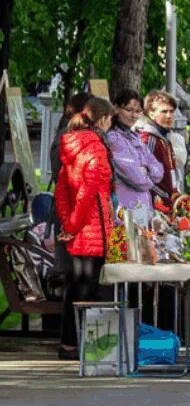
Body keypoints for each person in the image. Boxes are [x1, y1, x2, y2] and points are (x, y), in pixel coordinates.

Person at [55, 97, 116, 361]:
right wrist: (74, 224)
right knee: (89, 289)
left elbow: (62, 191)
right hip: (94, 228)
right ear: (103, 119)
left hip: (79, 229)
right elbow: (88, 194)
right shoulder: (96, 148)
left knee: (76, 286)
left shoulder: (70, 145)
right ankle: (87, 348)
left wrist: (68, 224)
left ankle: (69, 344)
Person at [107, 88, 165, 226]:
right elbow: (137, 179)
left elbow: (159, 171)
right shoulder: (113, 138)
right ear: (116, 109)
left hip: (142, 210)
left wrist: (145, 169)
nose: (133, 115)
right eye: (129, 110)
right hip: (125, 211)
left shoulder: (135, 136)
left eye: (137, 111)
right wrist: (148, 175)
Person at [133, 90, 181, 198]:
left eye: (171, 111)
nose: (169, 116)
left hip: (168, 205)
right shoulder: (147, 139)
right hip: (154, 206)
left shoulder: (164, 138)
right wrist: (166, 196)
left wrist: (175, 193)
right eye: (164, 111)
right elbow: (142, 178)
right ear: (151, 113)